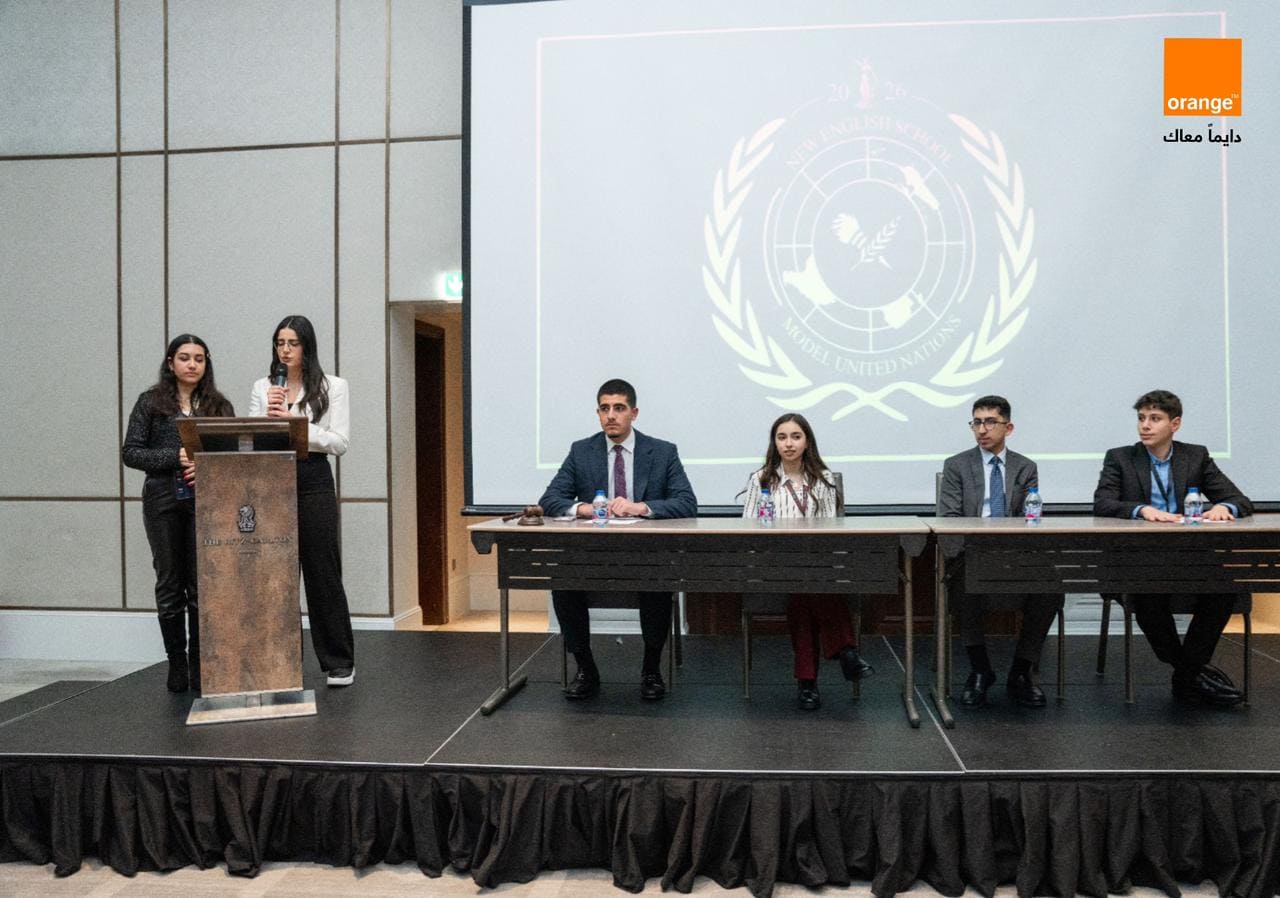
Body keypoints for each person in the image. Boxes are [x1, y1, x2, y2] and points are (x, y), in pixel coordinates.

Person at [537, 378, 697, 701]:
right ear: (598, 413)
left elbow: (686, 502)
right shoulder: (581, 451)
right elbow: (550, 499)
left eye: (619, 408)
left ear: (633, 413)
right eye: (604, 408)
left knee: (658, 582)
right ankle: (586, 668)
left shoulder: (662, 452)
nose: (611, 415)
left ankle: (651, 669)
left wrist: (641, 507)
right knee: (562, 583)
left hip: (645, 553)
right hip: (593, 553)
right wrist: (583, 508)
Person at [1093, 389, 1252, 707]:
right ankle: (1191, 673)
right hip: (1139, 559)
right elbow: (1103, 503)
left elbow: (1239, 500)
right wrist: (1142, 510)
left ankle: (1185, 675)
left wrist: (1225, 508)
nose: (1145, 426)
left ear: (1175, 424)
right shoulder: (1121, 458)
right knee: (1148, 597)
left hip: (1189, 557)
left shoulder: (1195, 456)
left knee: (1225, 590)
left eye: (1155, 419)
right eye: (1141, 418)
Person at [123, 334, 235, 692]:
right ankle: (177, 663)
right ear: (171, 363)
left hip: (205, 501)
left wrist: (207, 465)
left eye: (199, 358)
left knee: (202, 585)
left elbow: (233, 454)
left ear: (207, 363)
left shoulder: (219, 406)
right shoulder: (151, 402)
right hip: (163, 500)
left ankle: (201, 665)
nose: (192, 364)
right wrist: (176, 456)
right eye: (184, 357)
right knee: (170, 582)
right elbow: (131, 452)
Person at [248, 315, 356, 687]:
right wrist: (267, 420)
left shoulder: (332, 386)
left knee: (322, 572)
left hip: (313, 477)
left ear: (307, 346)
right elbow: (251, 438)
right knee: (277, 575)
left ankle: (339, 661)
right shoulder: (263, 387)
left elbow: (339, 442)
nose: (285, 350)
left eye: (293, 343)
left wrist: (294, 421)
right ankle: (281, 661)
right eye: (280, 343)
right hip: (273, 479)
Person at [740, 413, 873, 711]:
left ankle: (807, 683)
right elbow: (747, 527)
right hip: (773, 564)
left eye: (795, 437)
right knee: (808, 587)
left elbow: (831, 529)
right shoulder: (761, 479)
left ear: (807, 442)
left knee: (804, 596)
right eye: (782, 437)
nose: (788, 444)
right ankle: (846, 652)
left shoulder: (823, 479)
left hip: (815, 564)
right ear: (774, 443)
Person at [939, 395, 1062, 709]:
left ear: (1009, 427)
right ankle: (981, 670)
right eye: (977, 422)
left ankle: (1021, 672)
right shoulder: (956, 465)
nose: (982, 429)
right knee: (964, 582)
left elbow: (1030, 517)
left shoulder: (1025, 467)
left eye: (990, 422)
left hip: (1014, 556)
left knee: (1051, 587)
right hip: (971, 554)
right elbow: (949, 519)